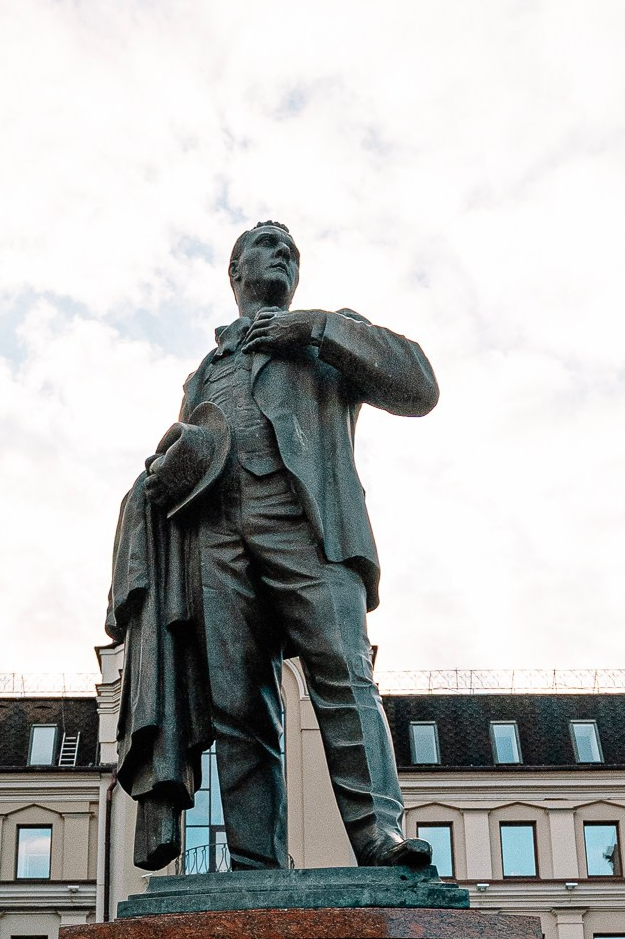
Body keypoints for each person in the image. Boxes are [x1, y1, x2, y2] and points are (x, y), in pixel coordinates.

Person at [108, 218, 439, 873]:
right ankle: (256, 861)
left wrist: (315, 329)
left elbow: (419, 387)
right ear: (235, 272)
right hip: (216, 535)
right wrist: (166, 471)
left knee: (343, 673)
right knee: (238, 706)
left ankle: (379, 835)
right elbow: (197, 445)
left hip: (307, 525)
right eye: (268, 245)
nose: (283, 254)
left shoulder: (325, 337)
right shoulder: (203, 372)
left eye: (291, 249)